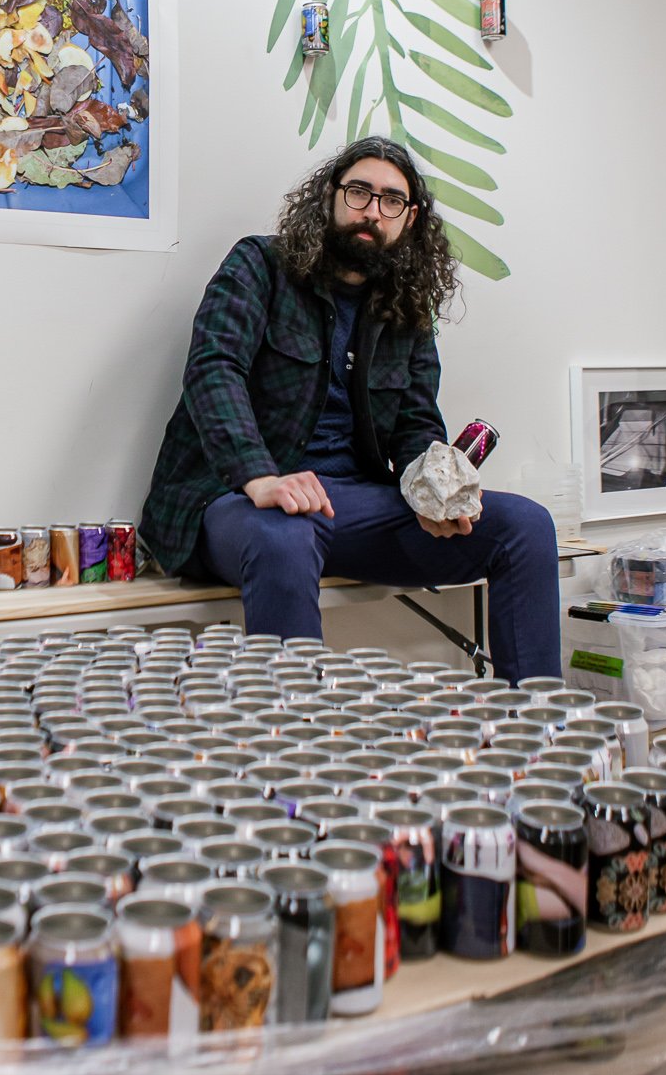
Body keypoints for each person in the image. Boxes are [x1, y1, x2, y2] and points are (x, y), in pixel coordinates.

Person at [140, 138, 561, 680]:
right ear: (330, 197)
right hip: (235, 501)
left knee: (524, 525)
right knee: (285, 532)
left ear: (409, 219)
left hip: (355, 507)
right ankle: (295, 750)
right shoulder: (259, 264)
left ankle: (537, 737)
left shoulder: (407, 305)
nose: (371, 211)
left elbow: (414, 423)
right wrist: (261, 476)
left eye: (391, 200)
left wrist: (430, 487)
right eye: (359, 192)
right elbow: (213, 370)